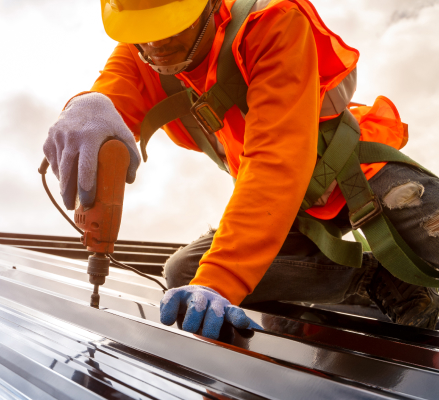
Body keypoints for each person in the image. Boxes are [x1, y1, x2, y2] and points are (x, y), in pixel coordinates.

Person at [42, 0, 439, 339]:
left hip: (354, 174)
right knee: (184, 273)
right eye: (143, 33)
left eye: (170, 27)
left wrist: (221, 281)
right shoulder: (143, 53)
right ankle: (374, 278)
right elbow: (113, 93)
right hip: (285, 213)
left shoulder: (270, 22)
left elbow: (275, 161)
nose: (155, 45)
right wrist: (87, 106)